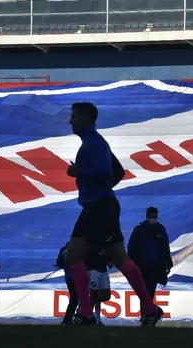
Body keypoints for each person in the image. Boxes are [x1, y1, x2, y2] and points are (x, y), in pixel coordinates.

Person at [65, 102, 163, 326]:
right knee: (119, 258)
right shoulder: (97, 142)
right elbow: (117, 172)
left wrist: (82, 174)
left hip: (98, 207)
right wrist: (104, 190)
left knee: (75, 256)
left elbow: (106, 172)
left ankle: (86, 313)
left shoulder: (93, 143)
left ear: (86, 119)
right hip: (102, 205)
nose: (71, 121)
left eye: (74, 116)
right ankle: (149, 309)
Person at [127, 207, 173, 316]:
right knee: (144, 293)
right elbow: (131, 248)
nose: (153, 218)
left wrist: (168, 262)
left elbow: (165, 247)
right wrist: (133, 265)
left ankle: (147, 314)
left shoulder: (161, 229)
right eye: (151, 216)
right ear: (147, 216)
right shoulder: (139, 230)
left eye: (155, 216)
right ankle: (145, 315)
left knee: (150, 292)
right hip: (142, 267)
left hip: (155, 267)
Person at [87, 247, 113, 325]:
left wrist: (111, 259)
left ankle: (88, 314)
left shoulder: (106, 246)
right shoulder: (91, 245)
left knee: (105, 296)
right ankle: (92, 318)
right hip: (93, 271)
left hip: (104, 271)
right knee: (94, 295)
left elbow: (110, 265)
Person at [56, 242, 78, 324]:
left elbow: (59, 263)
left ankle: (69, 318)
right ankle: (71, 318)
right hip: (78, 276)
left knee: (74, 298)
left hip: (69, 276)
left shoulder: (64, 249)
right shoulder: (81, 247)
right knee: (77, 298)